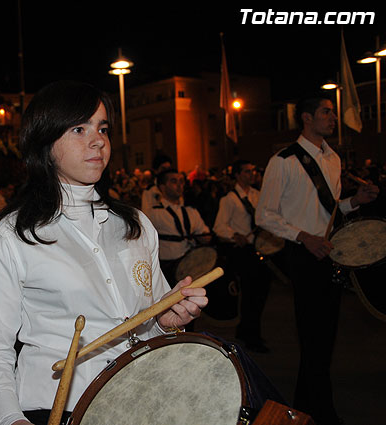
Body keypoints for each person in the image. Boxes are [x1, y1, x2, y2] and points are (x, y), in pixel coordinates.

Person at [0, 81, 207, 425]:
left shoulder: (135, 224)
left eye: (103, 128)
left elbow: (146, 324)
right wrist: (9, 419)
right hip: (57, 407)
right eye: (79, 128)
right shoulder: (10, 236)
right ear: (45, 143)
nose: (98, 141)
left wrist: (166, 324)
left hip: (143, 398)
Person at [256, 95, 379, 425]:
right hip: (303, 253)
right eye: (327, 112)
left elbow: (331, 211)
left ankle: (305, 404)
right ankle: (322, 412)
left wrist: (355, 201)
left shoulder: (334, 158)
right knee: (313, 336)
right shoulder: (283, 160)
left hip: (328, 250)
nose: (333, 118)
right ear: (307, 117)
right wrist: (303, 237)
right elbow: (264, 215)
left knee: (324, 338)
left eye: (333, 113)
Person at [214, 159, 271, 352]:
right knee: (249, 295)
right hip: (242, 252)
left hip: (259, 248)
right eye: (247, 172)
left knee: (260, 294)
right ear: (237, 175)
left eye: (253, 171)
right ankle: (250, 335)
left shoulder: (258, 195)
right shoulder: (229, 199)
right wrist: (234, 235)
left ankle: (249, 330)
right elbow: (219, 226)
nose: (251, 175)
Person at [143, 167, 211, 288]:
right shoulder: (153, 214)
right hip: (167, 269)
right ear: (162, 187)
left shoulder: (191, 211)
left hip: (192, 266)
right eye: (174, 181)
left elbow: (205, 233)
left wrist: (204, 238)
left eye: (181, 181)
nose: (179, 185)